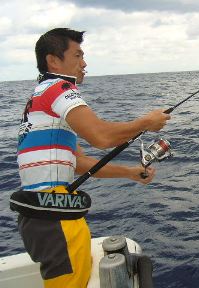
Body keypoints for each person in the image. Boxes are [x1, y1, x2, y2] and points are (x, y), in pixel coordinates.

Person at [16, 28, 170, 288]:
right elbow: (100, 136)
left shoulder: (39, 99)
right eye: (77, 55)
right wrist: (147, 122)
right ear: (53, 60)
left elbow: (78, 164)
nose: (84, 63)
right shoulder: (58, 87)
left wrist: (130, 172)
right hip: (54, 217)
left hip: (43, 215)